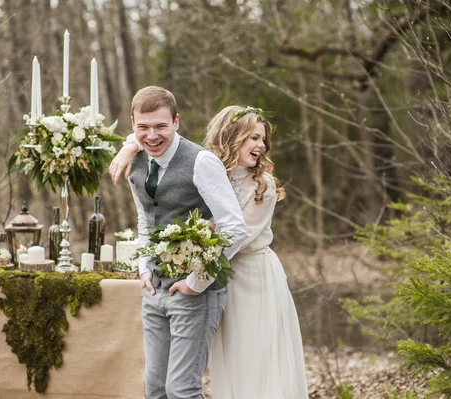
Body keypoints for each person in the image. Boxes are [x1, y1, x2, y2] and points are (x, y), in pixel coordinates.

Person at [110, 104, 309, 398]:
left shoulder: (262, 185)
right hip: (219, 275)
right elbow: (157, 131)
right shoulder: (211, 167)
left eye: (263, 139)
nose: (262, 145)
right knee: (224, 359)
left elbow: (239, 232)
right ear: (232, 136)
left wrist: (200, 245)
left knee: (255, 356)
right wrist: (129, 145)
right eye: (253, 137)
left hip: (252, 276)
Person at [115, 86, 246, 399]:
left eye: (161, 126)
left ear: (176, 121)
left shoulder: (202, 162)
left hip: (195, 294)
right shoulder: (135, 161)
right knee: (156, 389)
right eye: (142, 128)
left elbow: (234, 227)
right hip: (154, 290)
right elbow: (146, 218)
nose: (152, 136)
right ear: (132, 125)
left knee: (181, 391)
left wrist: (196, 282)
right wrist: (144, 268)